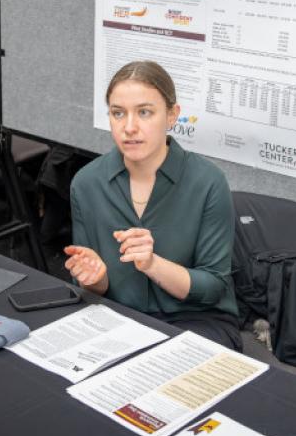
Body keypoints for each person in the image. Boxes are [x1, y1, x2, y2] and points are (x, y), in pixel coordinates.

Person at [64, 61, 241, 350]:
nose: (129, 127)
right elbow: (91, 286)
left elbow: (213, 287)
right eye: (118, 113)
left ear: (172, 115)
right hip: (118, 317)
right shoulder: (86, 183)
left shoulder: (208, 182)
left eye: (144, 112)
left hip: (195, 320)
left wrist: (152, 264)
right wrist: (94, 278)